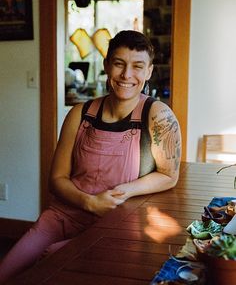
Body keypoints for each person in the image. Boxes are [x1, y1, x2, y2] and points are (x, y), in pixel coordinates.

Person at [0, 30, 181, 284]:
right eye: (119, 64)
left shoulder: (158, 115)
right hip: (62, 216)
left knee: (49, 262)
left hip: (112, 224)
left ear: (149, 71)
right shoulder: (80, 113)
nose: (127, 75)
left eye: (137, 66)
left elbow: (168, 175)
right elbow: (57, 179)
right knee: (6, 272)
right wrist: (89, 202)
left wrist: (125, 191)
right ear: (107, 65)